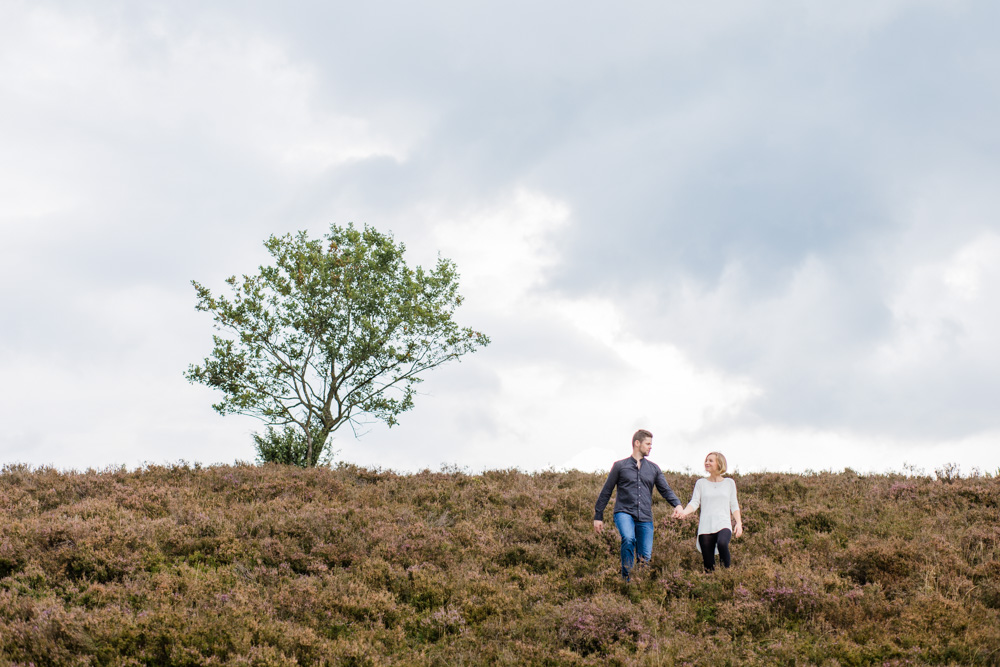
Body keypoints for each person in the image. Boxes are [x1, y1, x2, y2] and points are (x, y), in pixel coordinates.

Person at [593, 429, 683, 580]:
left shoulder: (654, 469)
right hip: (624, 512)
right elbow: (606, 491)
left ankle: (639, 585)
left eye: (651, 444)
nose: (650, 447)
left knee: (645, 557)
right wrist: (598, 515)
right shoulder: (619, 466)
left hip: (645, 517)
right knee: (628, 538)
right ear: (637, 443)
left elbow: (665, 490)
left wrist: (678, 505)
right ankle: (626, 580)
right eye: (647, 444)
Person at [676, 451, 742, 572]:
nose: (707, 462)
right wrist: (684, 512)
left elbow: (734, 504)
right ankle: (713, 585)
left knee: (722, 543)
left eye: (711, 460)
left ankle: (727, 576)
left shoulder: (729, 483)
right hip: (705, 527)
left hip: (723, 523)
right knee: (708, 566)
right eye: (706, 460)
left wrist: (739, 523)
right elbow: (695, 502)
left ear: (719, 463)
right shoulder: (701, 483)